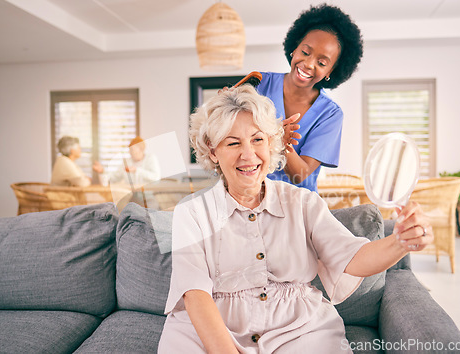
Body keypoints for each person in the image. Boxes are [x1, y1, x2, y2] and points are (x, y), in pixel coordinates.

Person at [158, 85, 433, 353]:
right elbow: (194, 293)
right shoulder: (190, 212)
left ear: (271, 143)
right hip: (211, 327)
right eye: (233, 143)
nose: (248, 154)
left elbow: (354, 258)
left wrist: (400, 241)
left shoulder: (302, 202)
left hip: (299, 329)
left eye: (258, 139)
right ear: (212, 151)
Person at [256, 4, 364, 192]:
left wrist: (279, 141)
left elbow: (300, 174)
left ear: (331, 71)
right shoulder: (259, 83)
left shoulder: (330, 114)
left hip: (296, 207)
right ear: (294, 48)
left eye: (321, 63)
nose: (308, 64)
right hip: (246, 200)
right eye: (305, 52)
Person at [96, 136, 161, 186]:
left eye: (132, 149)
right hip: (130, 195)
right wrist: (102, 171)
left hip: (147, 194)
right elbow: (115, 177)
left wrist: (136, 170)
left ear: (141, 149)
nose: (130, 152)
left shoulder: (150, 158)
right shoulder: (127, 162)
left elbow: (156, 177)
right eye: (129, 150)